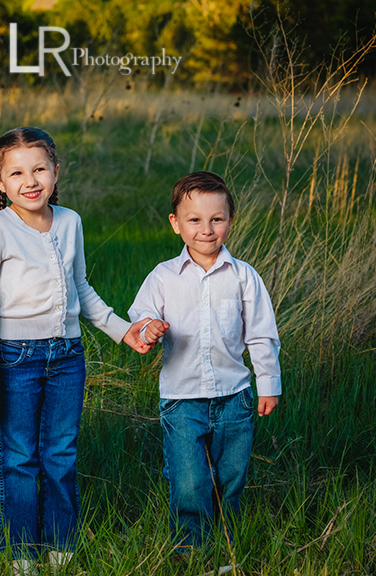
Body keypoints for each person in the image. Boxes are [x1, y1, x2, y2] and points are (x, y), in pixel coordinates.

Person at [0, 127, 162, 575]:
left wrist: (122, 330)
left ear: (56, 172)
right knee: (19, 457)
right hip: (16, 357)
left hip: (68, 356)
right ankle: (20, 554)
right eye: (16, 173)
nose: (30, 181)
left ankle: (61, 548)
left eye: (39, 169)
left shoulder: (70, 221)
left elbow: (80, 287)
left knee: (61, 453)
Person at [128, 171, 282, 551]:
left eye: (216, 219)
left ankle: (228, 539)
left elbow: (261, 334)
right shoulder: (163, 276)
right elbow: (140, 314)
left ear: (230, 220)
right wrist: (149, 328)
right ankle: (189, 548)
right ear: (176, 223)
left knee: (230, 476)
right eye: (195, 219)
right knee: (190, 479)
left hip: (235, 396)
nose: (207, 230)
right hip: (182, 398)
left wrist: (268, 384)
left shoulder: (243, 276)